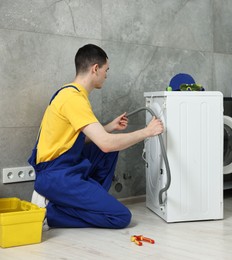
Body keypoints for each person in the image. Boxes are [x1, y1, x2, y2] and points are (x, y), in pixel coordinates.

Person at [28, 44, 164, 229]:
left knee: (106, 152)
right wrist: (147, 132)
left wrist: (108, 127)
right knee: (120, 217)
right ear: (95, 69)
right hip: (55, 175)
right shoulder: (73, 99)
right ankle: (49, 212)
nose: (106, 75)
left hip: (63, 166)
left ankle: (85, 201)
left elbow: (73, 141)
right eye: (106, 70)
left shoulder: (72, 93)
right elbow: (107, 144)